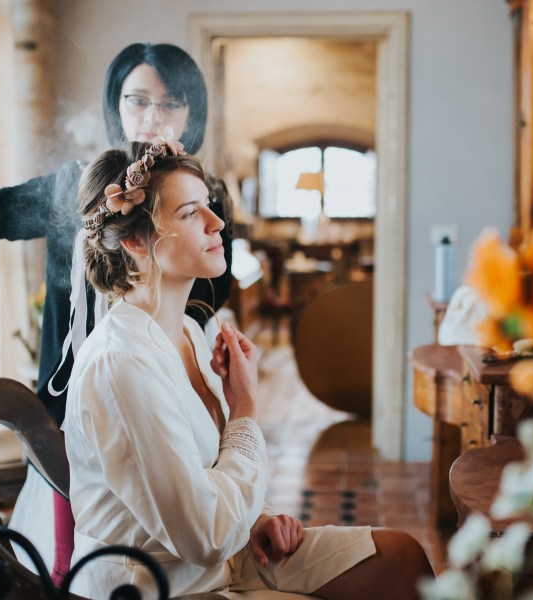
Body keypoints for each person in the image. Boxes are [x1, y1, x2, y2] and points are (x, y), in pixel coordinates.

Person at [0, 43, 232, 583]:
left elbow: (209, 300)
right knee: (79, 557)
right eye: (138, 101)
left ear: (191, 112)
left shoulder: (206, 198)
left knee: (174, 548)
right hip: (67, 418)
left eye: (170, 104)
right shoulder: (76, 187)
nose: (153, 118)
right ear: (116, 106)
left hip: (167, 408)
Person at [65, 138, 432, 599]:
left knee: (402, 559)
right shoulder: (121, 365)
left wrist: (259, 518)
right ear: (137, 241)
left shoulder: (188, 333)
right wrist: (246, 407)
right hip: (162, 584)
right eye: (191, 213)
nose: (217, 223)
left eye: (209, 207)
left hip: (229, 559)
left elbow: (210, 476)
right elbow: (207, 536)